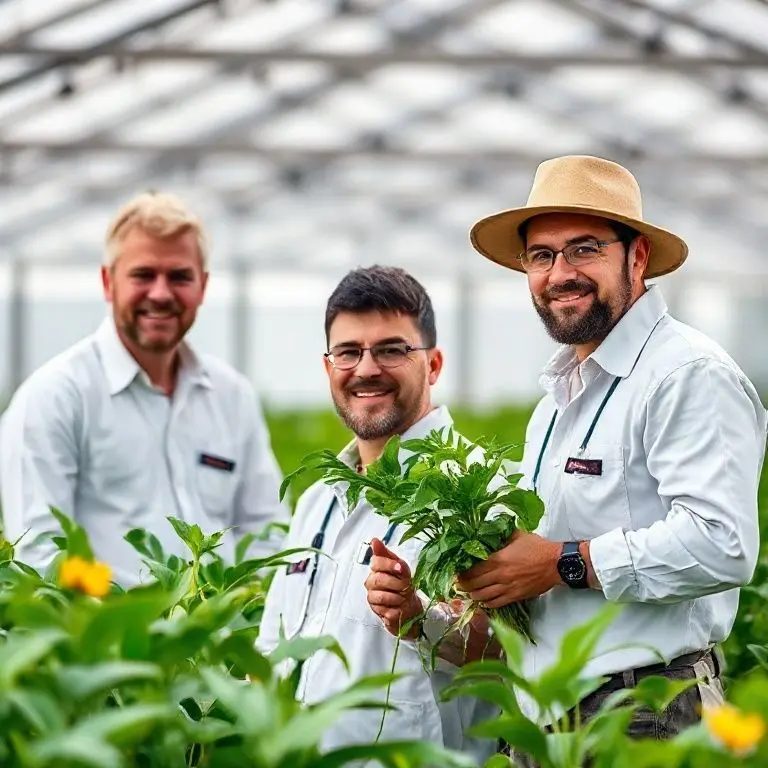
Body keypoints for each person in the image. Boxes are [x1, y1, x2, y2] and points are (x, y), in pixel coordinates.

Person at [455, 154, 766, 757]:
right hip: (551, 720)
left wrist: (563, 563)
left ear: (637, 256)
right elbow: (542, 554)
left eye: (584, 249)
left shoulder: (685, 373)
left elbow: (722, 544)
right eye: (541, 256)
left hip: (646, 712)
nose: (559, 272)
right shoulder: (557, 399)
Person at [256, 265, 499, 764]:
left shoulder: (476, 489)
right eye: (348, 351)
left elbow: (513, 649)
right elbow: (272, 649)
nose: (366, 369)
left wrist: (418, 619)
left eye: (391, 349)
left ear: (433, 364)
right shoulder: (317, 501)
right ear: (329, 368)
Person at [0, 191, 288, 586]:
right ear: (108, 282)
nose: (161, 293)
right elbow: (40, 555)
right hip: (109, 638)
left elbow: (267, 531)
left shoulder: (232, 397)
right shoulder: (54, 398)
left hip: (221, 636)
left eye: (179, 276)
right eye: (143, 275)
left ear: (202, 286)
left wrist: (242, 607)